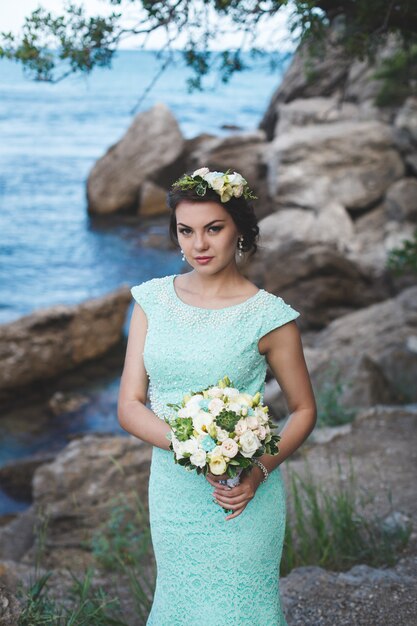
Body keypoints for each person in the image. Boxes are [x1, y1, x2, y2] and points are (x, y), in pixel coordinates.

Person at [117, 167, 317, 626]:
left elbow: (305, 410)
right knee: (179, 607)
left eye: (214, 229)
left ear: (241, 232)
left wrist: (259, 473)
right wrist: (191, 447)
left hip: (241, 498)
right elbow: (130, 405)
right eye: (186, 231)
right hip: (173, 496)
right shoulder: (150, 301)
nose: (199, 245)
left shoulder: (270, 317)